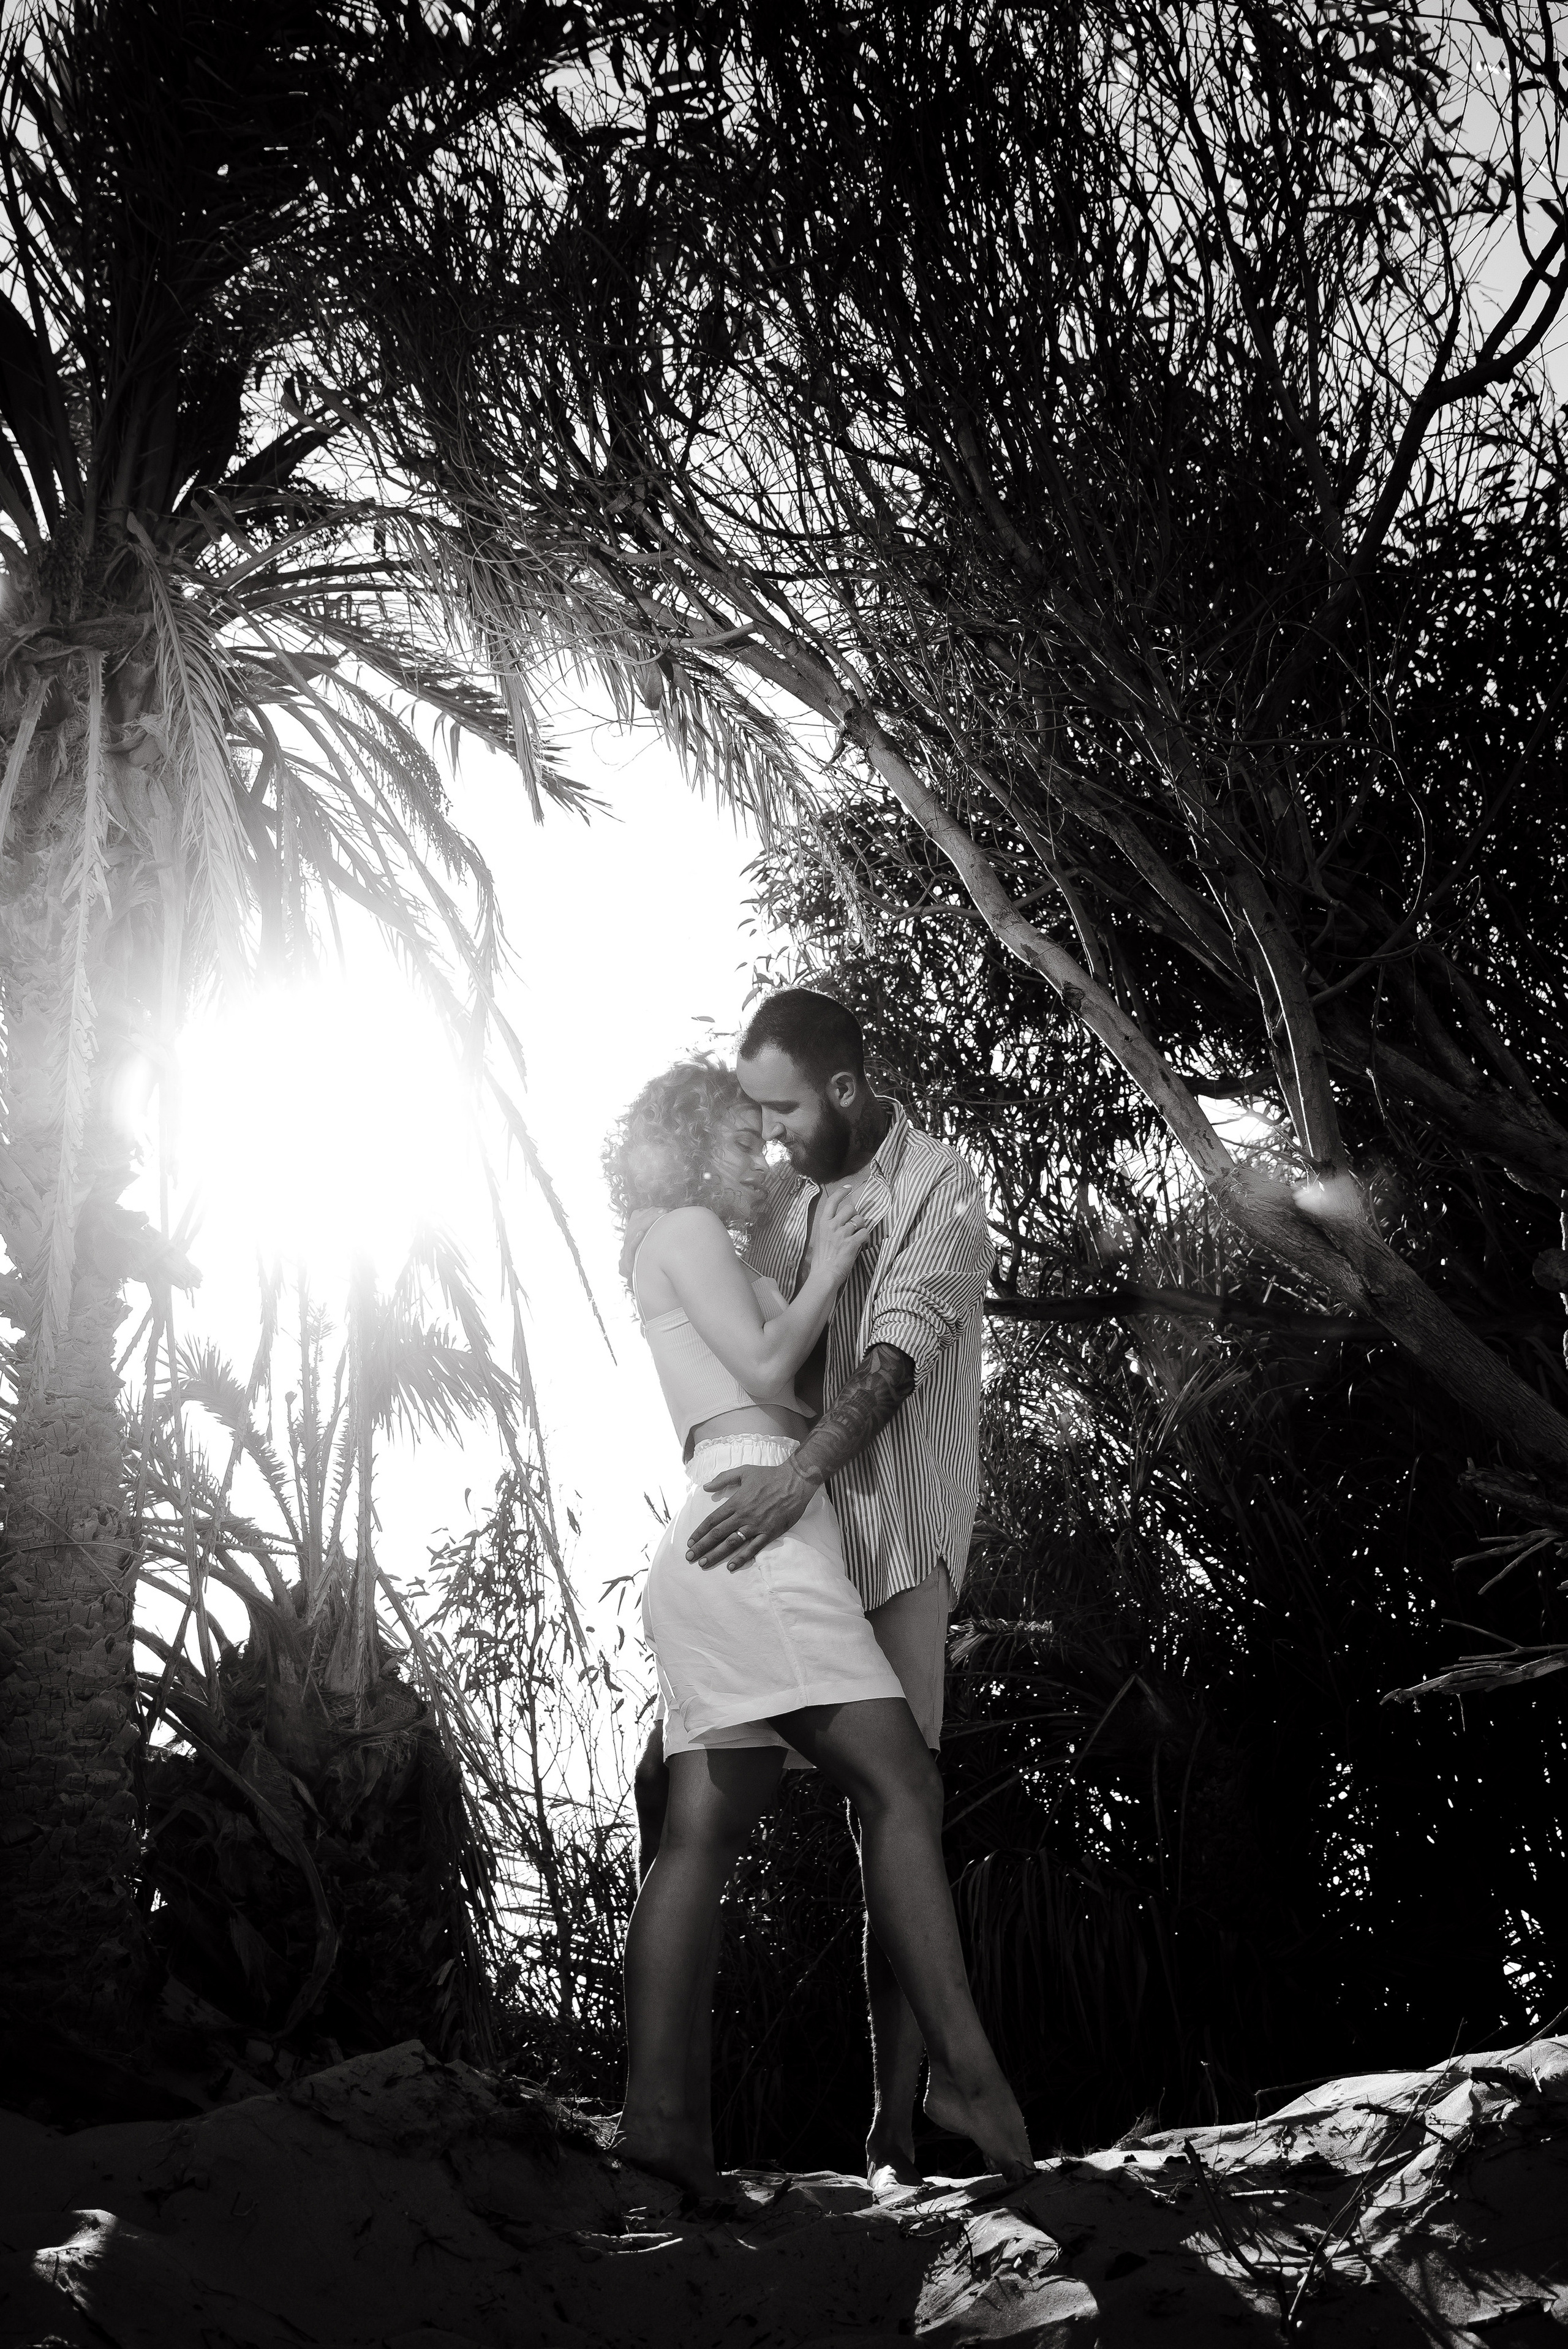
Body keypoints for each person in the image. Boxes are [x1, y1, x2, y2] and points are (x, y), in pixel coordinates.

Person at [606, 1054, 1031, 2206]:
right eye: (747, 1137)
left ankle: (664, 2131)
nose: (764, 1156)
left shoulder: (704, 1241)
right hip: (756, 1540)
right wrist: (837, 1259)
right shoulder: (683, 1222)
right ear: (697, 1140)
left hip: (738, 1532)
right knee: (902, 1786)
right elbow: (763, 1365)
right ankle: (966, 2078)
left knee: (705, 1824)